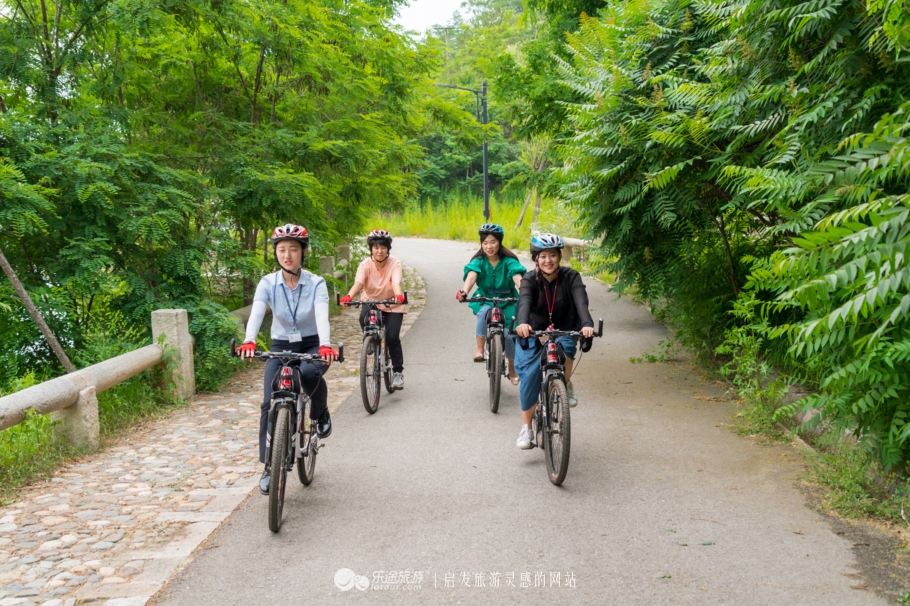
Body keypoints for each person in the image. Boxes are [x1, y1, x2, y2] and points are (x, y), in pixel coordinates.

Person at [236, 224, 338, 494]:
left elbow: (321, 315)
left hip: (313, 341)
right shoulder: (268, 283)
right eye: (282, 250)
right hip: (280, 344)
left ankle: (320, 410)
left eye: (293, 249)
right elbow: (257, 313)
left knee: (309, 374)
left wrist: (325, 346)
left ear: (303, 252)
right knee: (269, 401)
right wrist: (249, 340)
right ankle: (269, 465)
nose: (287, 255)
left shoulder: (316, 282)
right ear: (276, 253)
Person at [513, 233, 595, 449]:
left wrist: (586, 323)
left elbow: (581, 302)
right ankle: (527, 429)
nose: (548, 260)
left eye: (552, 255)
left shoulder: (571, 277)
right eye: (542, 256)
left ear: (559, 256)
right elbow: (524, 302)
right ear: (535, 259)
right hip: (532, 331)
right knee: (530, 375)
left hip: (564, 328)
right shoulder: (530, 279)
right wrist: (522, 323)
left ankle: (563, 384)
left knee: (567, 346)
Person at [455, 223, 526, 385]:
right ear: (481, 244)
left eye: (493, 242)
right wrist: (464, 291)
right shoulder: (479, 261)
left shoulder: (509, 261)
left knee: (510, 333)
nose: (489, 246)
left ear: (500, 242)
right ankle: (480, 349)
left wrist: (525, 293)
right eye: (485, 243)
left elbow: (517, 278)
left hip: (507, 300)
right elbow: (472, 277)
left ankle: (512, 369)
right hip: (485, 298)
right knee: (483, 314)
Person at [339, 229, 407, 389]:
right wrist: (349, 295)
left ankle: (398, 373)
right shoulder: (365, 264)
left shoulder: (395, 263)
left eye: (383, 247)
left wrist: (398, 295)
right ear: (371, 249)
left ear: (388, 249)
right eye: (376, 247)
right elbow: (359, 283)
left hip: (392, 304)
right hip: (371, 302)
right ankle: (370, 341)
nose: (379, 251)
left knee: (392, 337)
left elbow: (396, 282)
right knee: (364, 319)